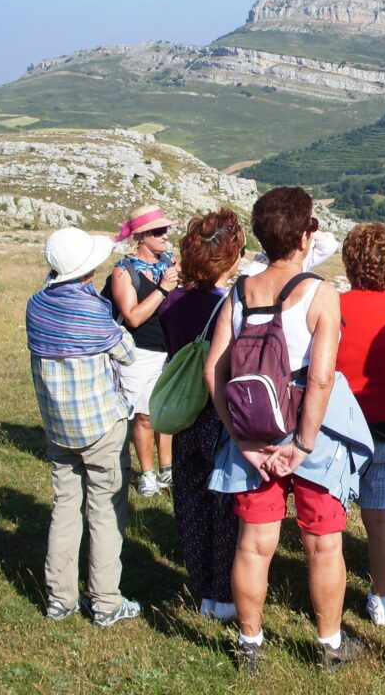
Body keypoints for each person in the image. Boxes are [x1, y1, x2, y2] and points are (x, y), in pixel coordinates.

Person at [204, 187, 364, 674]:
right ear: (304, 237)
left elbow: (214, 371)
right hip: (312, 433)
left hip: (253, 428)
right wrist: (304, 444)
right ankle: (329, 643)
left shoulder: (239, 293)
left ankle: (250, 642)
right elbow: (321, 378)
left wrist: (243, 441)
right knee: (323, 543)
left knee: (253, 543)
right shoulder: (320, 293)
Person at [26, 227, 141, 627]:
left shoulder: (36, 305)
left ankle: (60, 598)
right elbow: (126, 353)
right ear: (88, 271)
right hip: (100, 425)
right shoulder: (91, 311)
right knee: (104, 510)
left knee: (65, 507)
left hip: (58, 426)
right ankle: (106, 601)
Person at [158, 208, 245, 621]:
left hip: (184, 412)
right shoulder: (228, 307)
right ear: (228, 258)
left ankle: (203, 588)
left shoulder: (172, 301)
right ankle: (224, 596)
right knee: (223, 505)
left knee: (190, 500)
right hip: (218, 411)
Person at [335, 222, 385, 626]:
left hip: (342, 419)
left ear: (349, 262)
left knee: (332, 513)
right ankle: (380, 596)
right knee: (380, 514)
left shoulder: (335, 304)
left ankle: (328, 585)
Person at [104, 204, 180, 496]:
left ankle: (167, 469)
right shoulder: (124, 272)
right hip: (139, 353)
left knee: (165, 411)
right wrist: (162, 289)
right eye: (158, 232)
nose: (165, 236)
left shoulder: (168, 262)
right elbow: (133, 317)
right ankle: (147, 474)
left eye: (165, 230)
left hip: (167, 349)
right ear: (141, 236)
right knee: (144, 415)